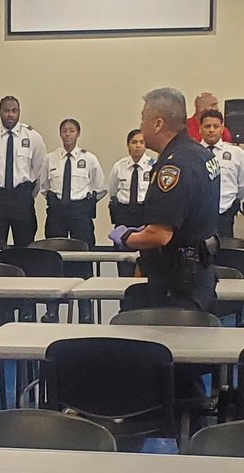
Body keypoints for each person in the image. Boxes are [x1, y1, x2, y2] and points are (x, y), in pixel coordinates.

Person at [109, 87, 218, 311]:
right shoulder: (202, 154)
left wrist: (127, 237)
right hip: (201, 274)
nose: (140, 126)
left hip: (178, 284)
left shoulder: (173, 166)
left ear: (158, 124)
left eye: (143, 119)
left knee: (172, 344)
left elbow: (160, 235)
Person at [0, 95, 46, 246]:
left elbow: (40, 171)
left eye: (14, 111)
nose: (10, 114)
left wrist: (28, 194)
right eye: (6, 111)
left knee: (25, 247)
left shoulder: (33, 137)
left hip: (22, 199)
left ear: (19, 112)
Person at [41, 118, 106, 244]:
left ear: (78, 133)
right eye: (64, 131)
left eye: (72, 131)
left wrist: (86, 204)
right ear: (60, 133)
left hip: (80, 210)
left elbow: (100, 187)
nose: (68, 134)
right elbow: (44, 187)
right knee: (55, 247)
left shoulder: (89, 159)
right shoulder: (50, 159)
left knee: (83, 247)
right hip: (57, 211)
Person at [198, 109, 244, 238]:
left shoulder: (237, 153)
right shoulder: (192, 152)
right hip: (198, 217)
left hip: (225, 215)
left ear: (222, 129)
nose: (211, 130)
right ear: (200, 129)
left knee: (225, 253)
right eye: (207, 126)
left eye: (215, 126)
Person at [106, 128, 153, 276]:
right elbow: (112, 192)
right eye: (134, 142)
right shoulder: (119, 167)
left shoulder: (153, 165)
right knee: (124, 263)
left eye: (141, 142)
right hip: (124, 216)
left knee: (147, 263)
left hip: (144, 216)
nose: (138, 146)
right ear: (128, 145)